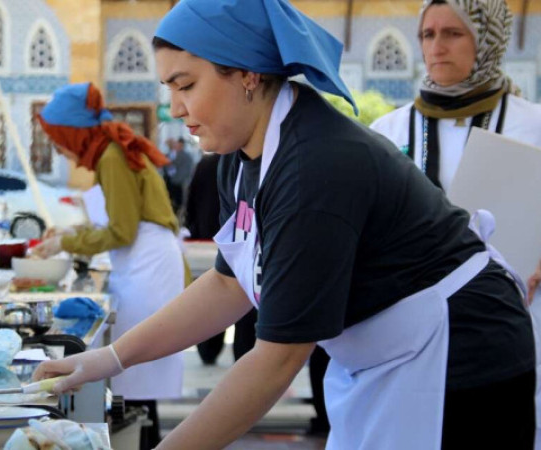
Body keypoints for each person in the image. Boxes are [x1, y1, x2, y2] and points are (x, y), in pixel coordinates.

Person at [32, 1, 538, 449]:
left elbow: (277, 359)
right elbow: (227, 284)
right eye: (168, 88)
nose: (175, 108)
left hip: (461, 357)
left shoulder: (313, 166)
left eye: (186, 85)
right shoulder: (242, 153)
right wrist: (110, 360)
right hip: (390, 358)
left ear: (249, 75)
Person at [32, 82, 188, 450]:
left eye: (58, 138)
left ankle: (146, 443)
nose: (58, 148)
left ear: (74, 132)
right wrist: (77, 230)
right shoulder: (112, 151)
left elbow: (121, 230)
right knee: (137, 380)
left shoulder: (112, 157)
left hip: (148, 267)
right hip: (144, 262)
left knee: (134, 375)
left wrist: (66, 242)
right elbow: (122, 219)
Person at [370, 0, 541, 300]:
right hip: (414, 313)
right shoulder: (386, 132)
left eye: (452, 33)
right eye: (428, 35)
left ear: (486, 39)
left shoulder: (532, 123)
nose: (437, 47)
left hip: (517, 309)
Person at [186, 152, 258, 367]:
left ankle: (209, 350)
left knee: (224, 299)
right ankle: (240, 355)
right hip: (234, 238)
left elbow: (192, 198)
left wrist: (194, 227)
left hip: (215, 235)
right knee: (237, 301)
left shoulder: (214, 163)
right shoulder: (229, 163)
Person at [163, 137, 194, 217]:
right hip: (173, 182)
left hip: (177, 183)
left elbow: (185, 170)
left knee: (177, 202)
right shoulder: (170, 154)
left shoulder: (184, 156)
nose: (176, 146)